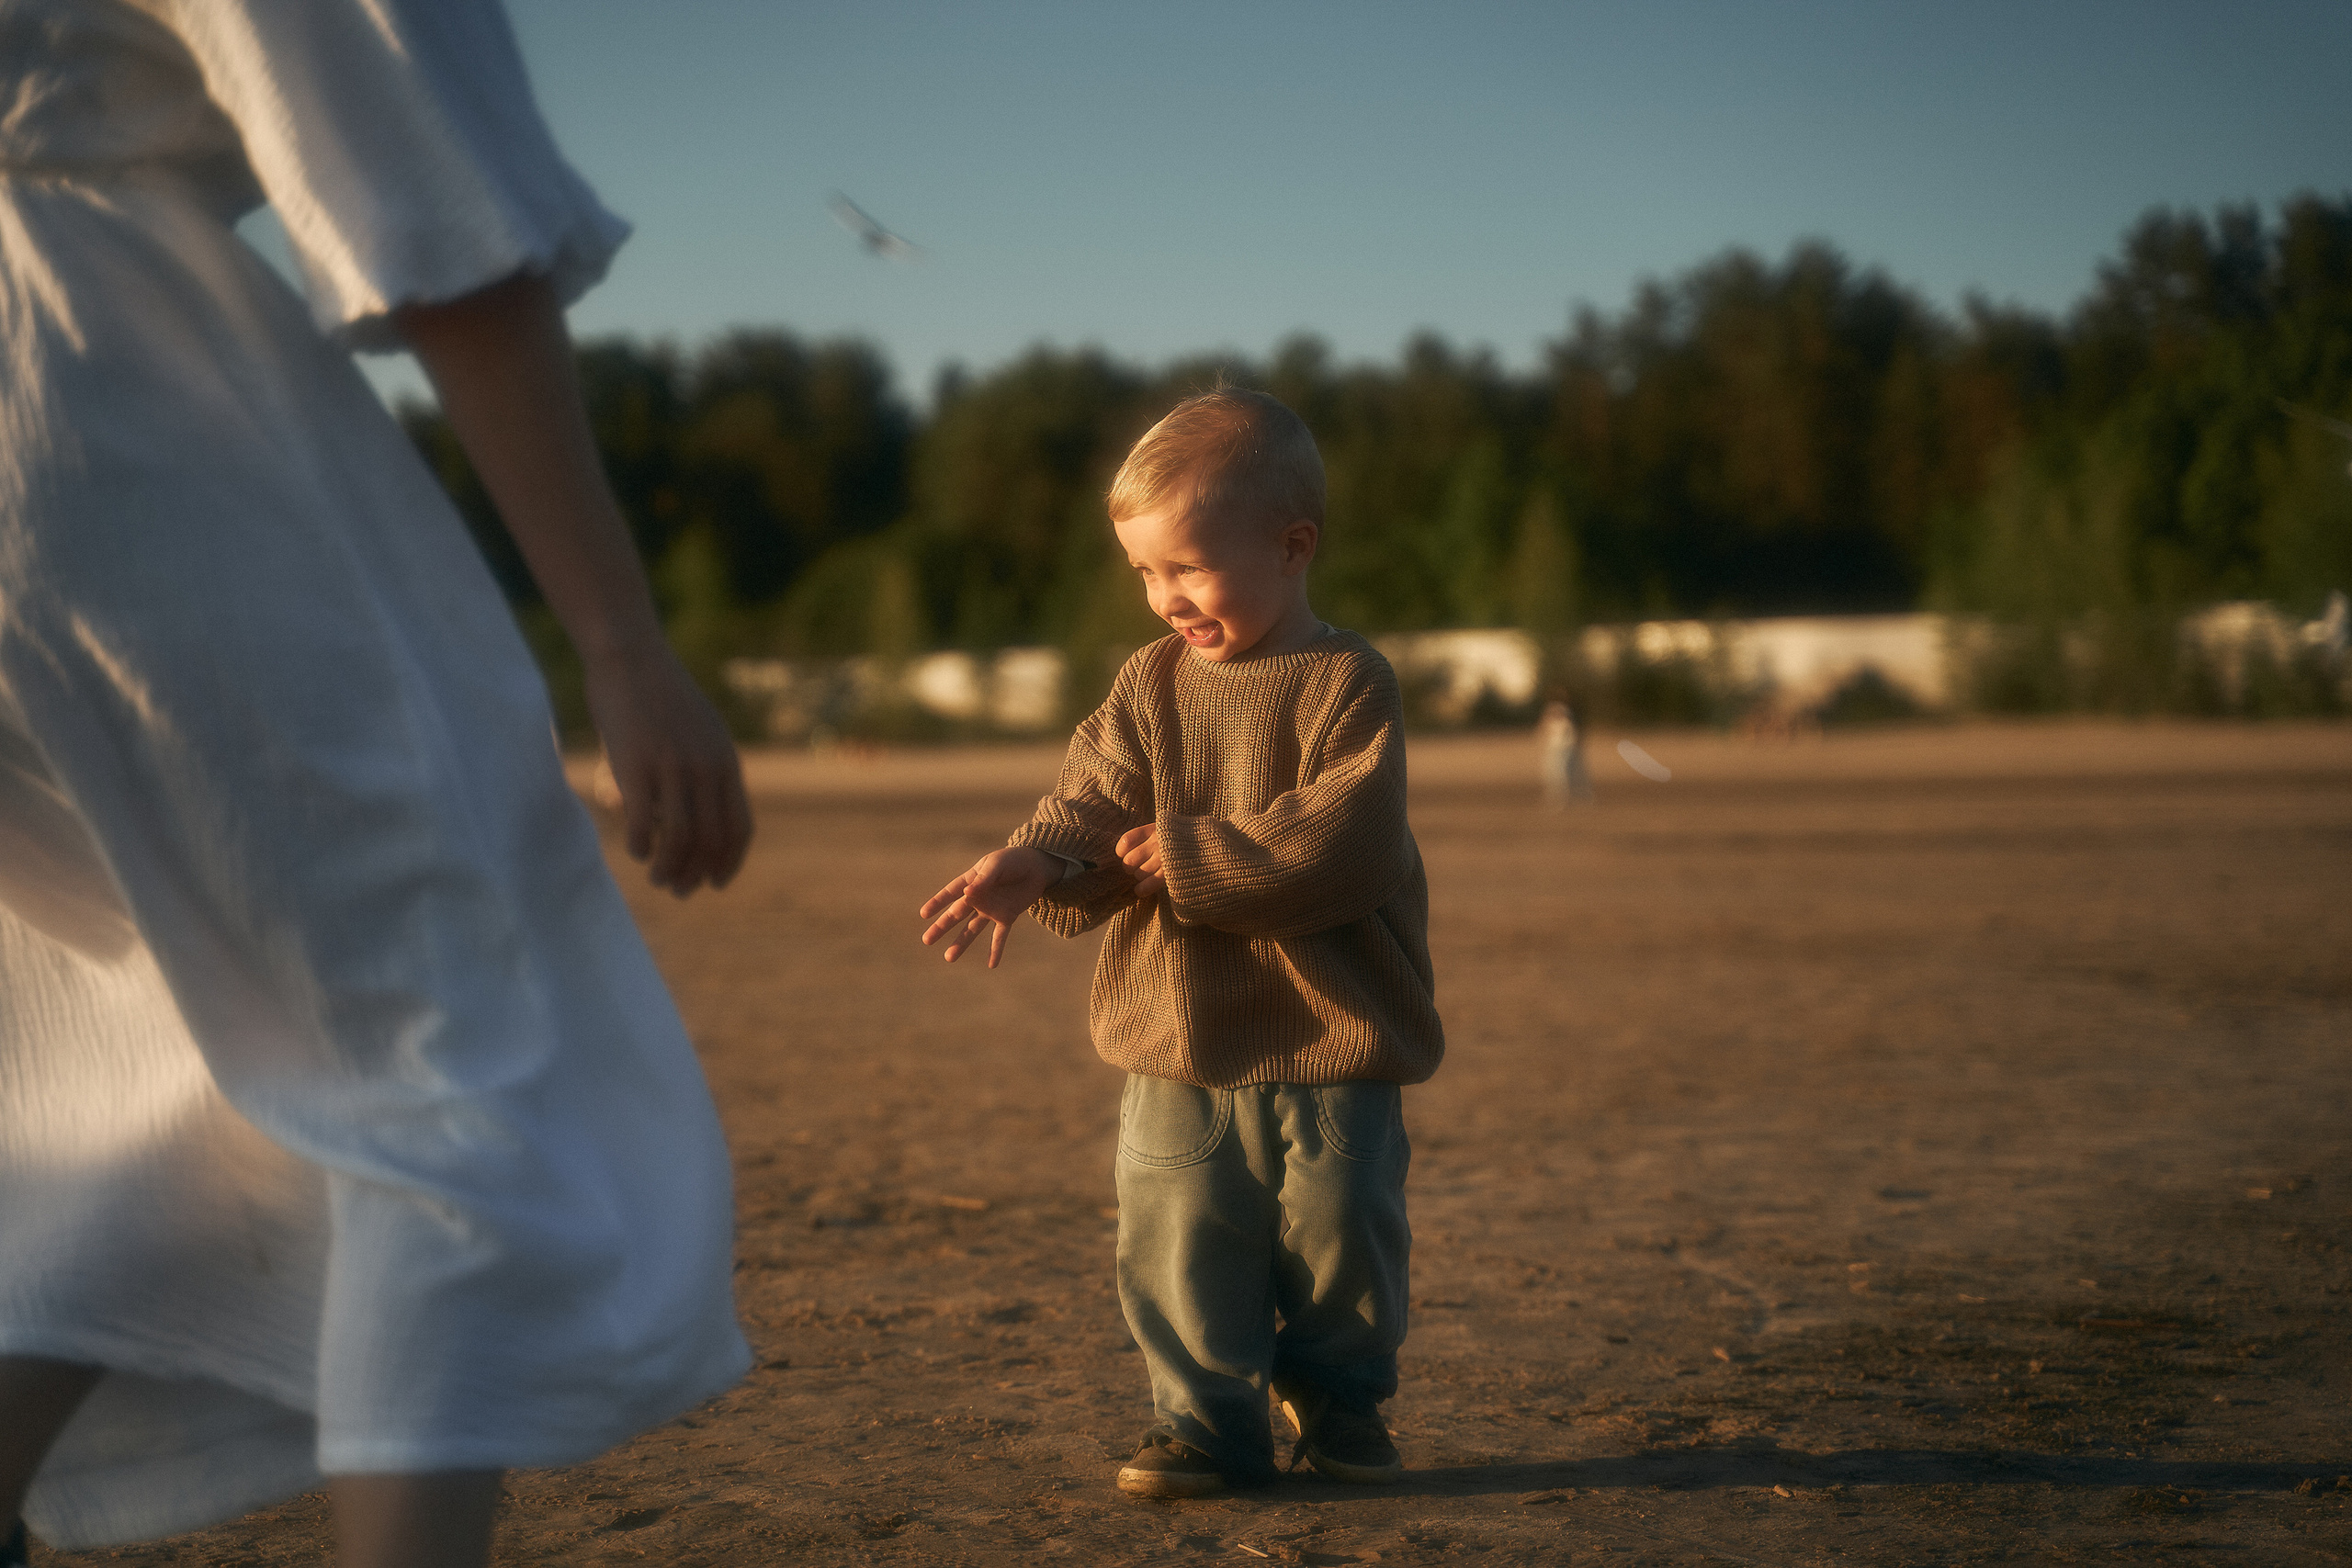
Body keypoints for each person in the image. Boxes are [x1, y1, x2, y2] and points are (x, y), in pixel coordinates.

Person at [0, 5, 752, 1565]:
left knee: (158, 1072)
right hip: (92, 397)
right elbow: (432, 215)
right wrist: (621, 642)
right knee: (449, 1061)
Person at [918, 389, 1444, 1499]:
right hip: (1176, 1029)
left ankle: (1340, 1400)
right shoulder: (1147, 686)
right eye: (1147, 576)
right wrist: (1035, 860)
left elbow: (1347, 840)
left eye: (1190, 569)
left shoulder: (1346, 681)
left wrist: (1192, 853)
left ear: (1293, 547)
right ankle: (1206, 1425)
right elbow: (1091, 799)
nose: (1166, 600)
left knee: (1345, 1234)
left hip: (1331, 1029)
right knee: (1177, 1238)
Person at [1536, 690, 1593, 807]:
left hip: (1565, 747)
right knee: (1558, 773)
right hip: (1557, 747)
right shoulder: (1558, 711)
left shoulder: (1564, 713)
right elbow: (1545, 727)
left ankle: (1564, 799)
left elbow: (1568, 729)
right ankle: (1562, 798)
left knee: (1562, 773)